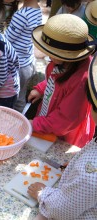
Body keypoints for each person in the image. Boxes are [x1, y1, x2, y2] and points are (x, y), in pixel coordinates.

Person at [27, 54, 97, 220]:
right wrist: (75, 164)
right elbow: (55, 81)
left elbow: (61, 210)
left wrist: (42, 193)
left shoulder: (89, 174)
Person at [29, 14, 96, 148]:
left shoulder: (80, 80)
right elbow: (54, 81)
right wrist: (41, 88)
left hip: (65, 134)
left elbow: (66, 120)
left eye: (52, 53)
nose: (48, 56)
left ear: (68, 55)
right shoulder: (61, 62)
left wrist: (35, 124)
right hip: (49, 120)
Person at [4, 0, 42, 113]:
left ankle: (10, 124)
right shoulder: (36, 9)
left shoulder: (22, 14)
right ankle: (19, 123)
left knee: (9, 98)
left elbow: (7, 39)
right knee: (20, 97)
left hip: (16, 66)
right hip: (28, 62)